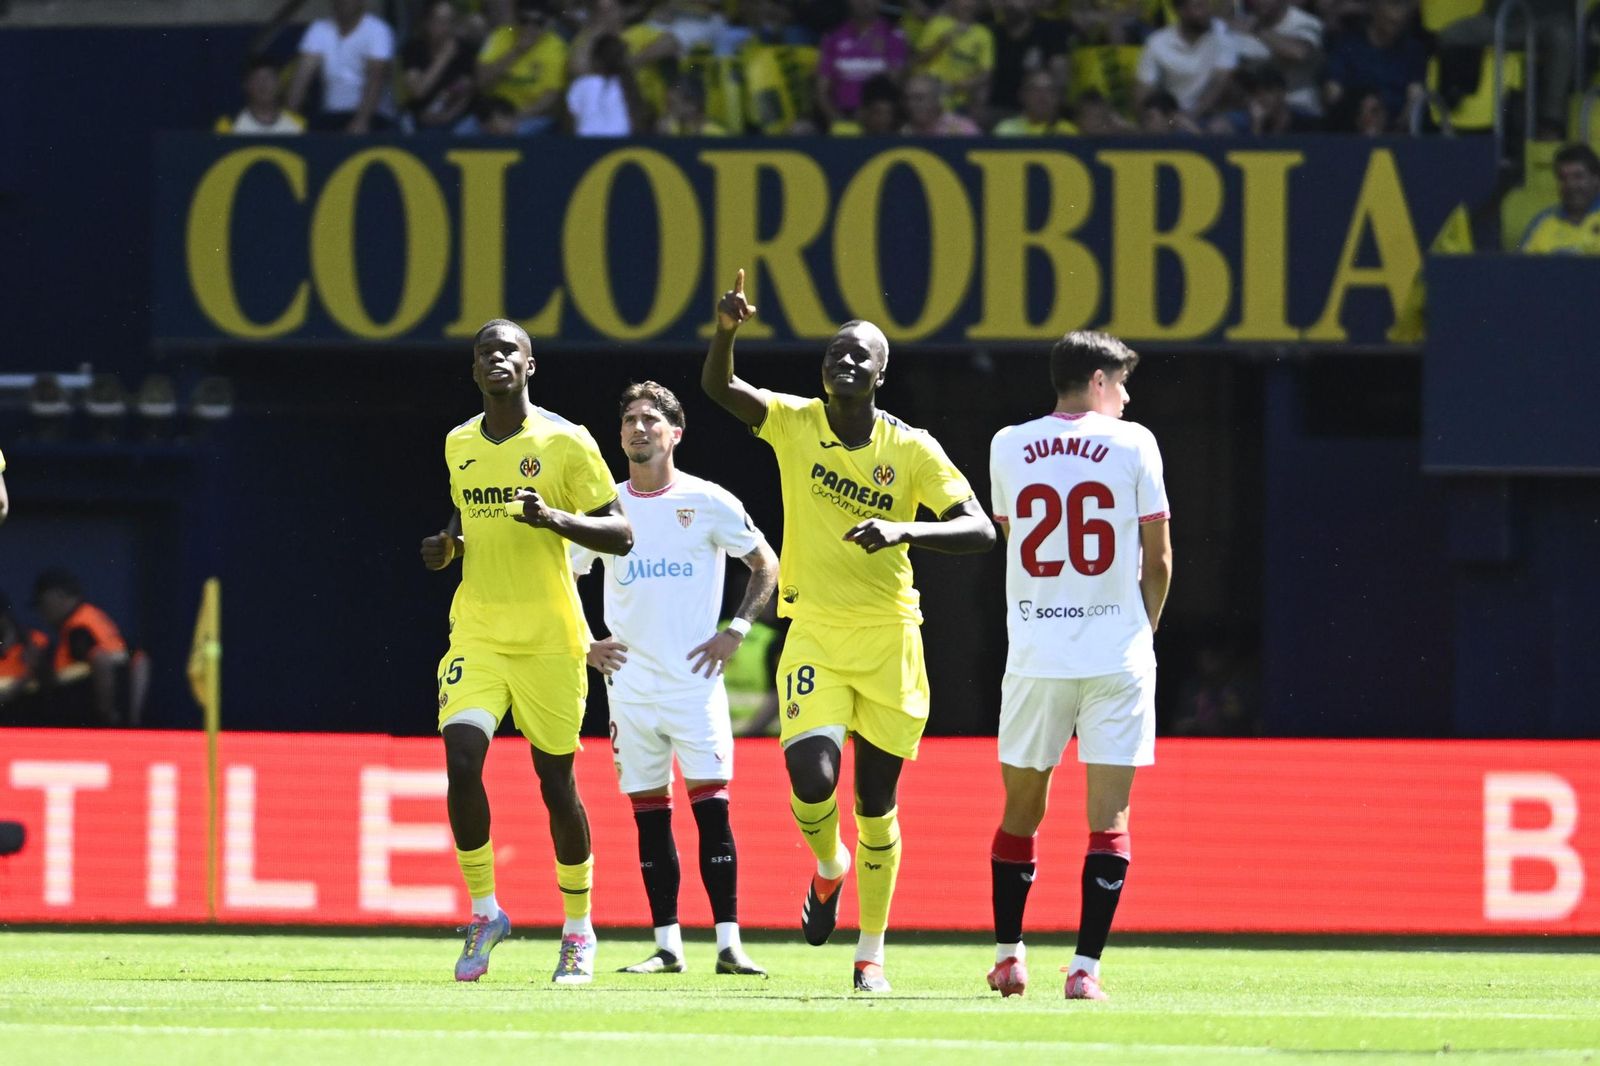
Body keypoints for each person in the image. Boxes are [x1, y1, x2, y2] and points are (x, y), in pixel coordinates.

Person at [701, 270, 996, 992]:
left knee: (876, 804)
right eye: (836, 352)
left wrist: (902, 527)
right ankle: (829, 868)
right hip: (815, 634)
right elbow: (720, 390)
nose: (846, 361)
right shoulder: (796, 422)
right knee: (811, 778)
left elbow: (982, 529)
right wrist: (727, 333)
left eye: (861, 355)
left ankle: (871, 953)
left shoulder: (914, 449)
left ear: (882, 373)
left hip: (891, 636)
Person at [420, 319, 633, 985]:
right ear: (475, 369)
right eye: (486, 351)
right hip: (479, 632)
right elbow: (468, 515)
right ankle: (485, 913)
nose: (498, 358)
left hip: (550, 639)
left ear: (531, 365)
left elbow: (621, 533)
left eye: (509, 349)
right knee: (461, 759)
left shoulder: (566, 441)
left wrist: (556, 520)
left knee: (556, 784)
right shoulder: (459, 443)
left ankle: (578, 928)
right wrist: (449, 546)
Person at [984, 330, 1172, 1002]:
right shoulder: (1135, 443)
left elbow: (1016, 535)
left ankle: (1009, 957)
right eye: (1120, 383)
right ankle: (1085, 970)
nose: (1126, 397)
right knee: (1109, 818)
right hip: (1114, 655)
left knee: (1021, 812)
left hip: (1036, 651)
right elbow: (1160, 560)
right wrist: (1139, 630)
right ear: (1097, 380)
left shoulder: (1008, 444)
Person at [572, 381, 779, 977]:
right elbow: (563, 577)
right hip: (630, 687)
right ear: (619, 434)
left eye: (651, 420)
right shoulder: (603, 508)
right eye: (630, 419)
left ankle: (730, 945)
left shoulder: (708, 501)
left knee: (713, 812)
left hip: (694, 683)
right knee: (649, 815)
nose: (639, 428)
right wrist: (584, 642)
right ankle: (667, 945)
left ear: (675, 433)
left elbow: (765, 563)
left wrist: (736, 630)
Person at [32, 568, 131, 727]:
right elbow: (140, 659)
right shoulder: (92, 617)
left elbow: (100, 659)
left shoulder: (78, 628)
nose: (42, 612)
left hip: (91, 719)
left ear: (59, 596)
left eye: (43, 603)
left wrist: (106, 711)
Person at [285, 0, 396, 133]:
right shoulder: (319, 30)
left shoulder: (378, 30)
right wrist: (288, 121)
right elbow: (301, 79)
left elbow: (376, 78)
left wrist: (362, 121)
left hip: (374, 117)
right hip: (331, 116)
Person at [473, 0, 568, 135]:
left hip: (532, 116)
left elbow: (551, 99)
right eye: (524, 20)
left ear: (549, 23)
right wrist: (517, 51)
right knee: (461, 134)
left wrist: (513, 118)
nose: (530, 27)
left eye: (538, 22)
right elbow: (482, 82)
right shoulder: (499, 36)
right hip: (492, 113)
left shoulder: (557, 47)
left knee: (516, 133)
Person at [1135, 0, 1237, 123]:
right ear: (1181, 11)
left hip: (1211, 113)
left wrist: (1191, 117)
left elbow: (1220, 81)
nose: (1207, 11)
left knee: (1220, 126)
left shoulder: (1221, 31)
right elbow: (1143, 90)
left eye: (1206, 5)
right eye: (1199, 6)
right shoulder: (1158, 43)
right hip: (1172, 116)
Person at [816, 0, 910, 128]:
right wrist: (838, 121)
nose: (864, 2)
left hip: (880, 120)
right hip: (842, 114)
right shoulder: (833, 37)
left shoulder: (893, 35)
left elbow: (895, 83)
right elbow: (822, 91)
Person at [400, 1, 477, 131]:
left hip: (455, 117)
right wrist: (444, 58)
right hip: (419, 115)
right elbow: (418, 91)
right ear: (427, 23)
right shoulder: (413, 49)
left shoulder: (465, 50)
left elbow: (467, 91)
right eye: (439, 21)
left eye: (449, 21)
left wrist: (446, 116)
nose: (445, 27)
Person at [1518, 144, 1600, 254]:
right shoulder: (1542, 222)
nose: (1571, 185)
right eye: (1563, 178)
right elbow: (1521, 268)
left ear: (1596, 179)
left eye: (1578, 176)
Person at [566, 33, 646, 135]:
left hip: (586, 144)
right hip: (621, 146)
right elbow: (638, 123)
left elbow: (570, 123)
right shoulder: (629, 83)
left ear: (595, 59)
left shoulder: (581, 84)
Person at [215, 59, 306, 135]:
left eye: (269, 78)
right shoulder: (228, 124)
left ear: (279, 83)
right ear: (246, 85)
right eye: (257, 79)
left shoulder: (298, 124)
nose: (263, 85)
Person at [994, 70, 1078, 135]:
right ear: (1023, 95)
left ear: (1057, 97)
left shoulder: (1068, 132)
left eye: (1049, 90)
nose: (1042, 96)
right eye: (1035, 90)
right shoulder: (1006, 130)